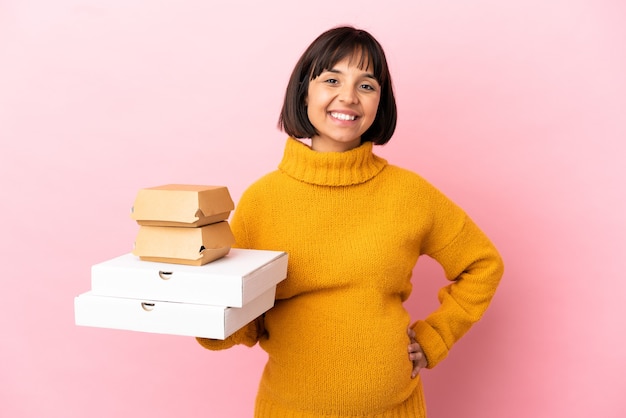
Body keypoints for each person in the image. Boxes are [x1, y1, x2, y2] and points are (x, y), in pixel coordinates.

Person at [197, 25, 504, 418]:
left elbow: (483, 264)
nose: (348, 97)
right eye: (331, 79)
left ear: (380, 102)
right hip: (288, 410)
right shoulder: (262, 200)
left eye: (367, 85)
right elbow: (246, 323)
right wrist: (204, 313)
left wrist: (436, 337)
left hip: (393, 409)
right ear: (304, 91)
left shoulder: (409, 194)